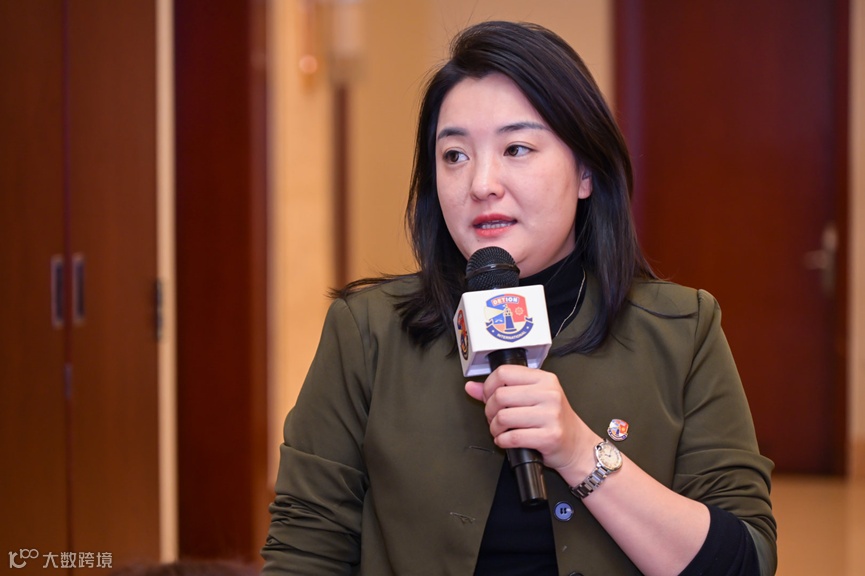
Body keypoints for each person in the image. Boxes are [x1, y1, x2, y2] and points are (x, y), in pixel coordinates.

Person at [261, 20, 776, 576]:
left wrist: (578, 452)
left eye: (516, 148)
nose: (481, 182)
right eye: (454, 155)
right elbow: (304, 551)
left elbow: (745, 561)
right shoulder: (367, 332)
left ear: (585, 171)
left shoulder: (682, 329)